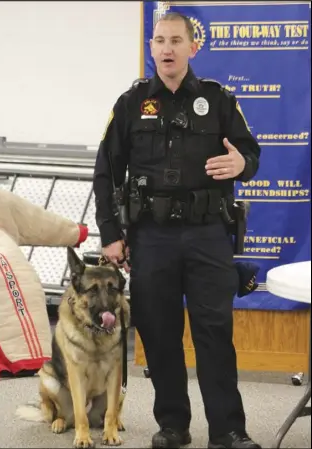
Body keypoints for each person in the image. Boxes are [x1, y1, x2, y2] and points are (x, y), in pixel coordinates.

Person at [93, 11, 262, 449]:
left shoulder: (219, 99)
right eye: (159, 40)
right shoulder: (131, 104)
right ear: (151, 47)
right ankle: (173, 425)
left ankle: (228, 430)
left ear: (193, 46)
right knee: (159, 334)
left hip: (208, 235)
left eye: (175, 40)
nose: (167, 49)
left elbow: (250, 153)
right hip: (152, 238)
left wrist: (242, 164)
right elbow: (105, 174)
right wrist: (111, 232)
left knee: (214, 333)